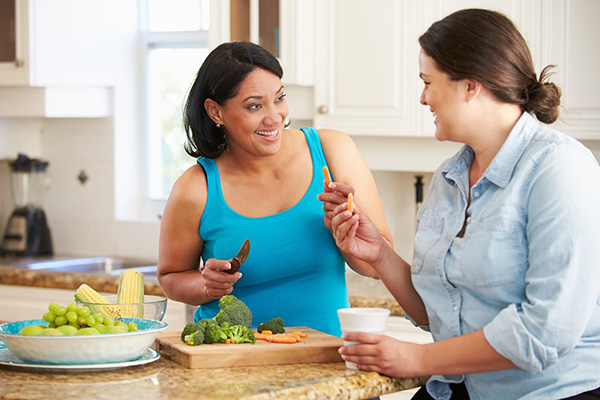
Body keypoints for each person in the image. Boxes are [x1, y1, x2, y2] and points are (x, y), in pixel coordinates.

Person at [320, 8, 600, 400]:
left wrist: (421, 360)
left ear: (471, 85)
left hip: (550, 392)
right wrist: (379, 254)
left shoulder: (560, 168)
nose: (422, 98)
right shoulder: (450, 176)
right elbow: (436, 314)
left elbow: (545, 331)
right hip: (456, 389)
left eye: (428, 82)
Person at [157, 41, 393, 337]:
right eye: (254, 106)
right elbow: (170, 276)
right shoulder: (196, 188)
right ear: (215, 112)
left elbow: (378, 266)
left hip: (326, 356)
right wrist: (204, 285)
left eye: (279, 99)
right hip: (231, 363)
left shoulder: (333, 151)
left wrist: (347, 237)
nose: (274, 117)